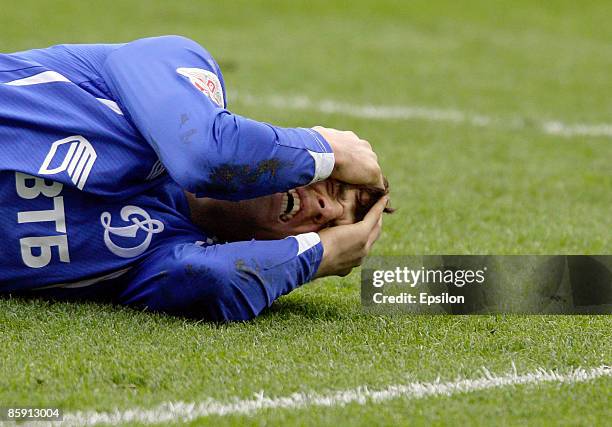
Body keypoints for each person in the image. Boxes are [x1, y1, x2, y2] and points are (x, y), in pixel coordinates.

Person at [0, 36, 392, 321]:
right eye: (335, 185)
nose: (325, 207)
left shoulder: (165, 254)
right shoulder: (182, 63)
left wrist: (320, 255)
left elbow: (219, 279)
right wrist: (331, 153)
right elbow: (205, 156)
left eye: (330, 225)